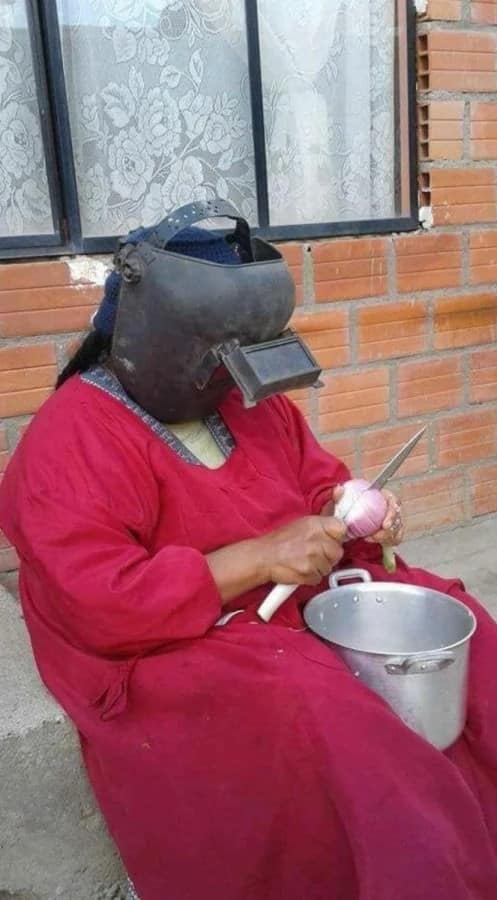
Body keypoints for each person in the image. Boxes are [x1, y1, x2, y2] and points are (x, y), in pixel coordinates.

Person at [1, 199, 497, 900]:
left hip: (288, 603)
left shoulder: (248, 399)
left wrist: (357, 511)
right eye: (220, 365)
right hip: (158, 646)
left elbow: (318, 481)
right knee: (321, 715)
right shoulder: (67, 443)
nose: (236, 387)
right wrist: (260, 559)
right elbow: (99, 607)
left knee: (453, 622)